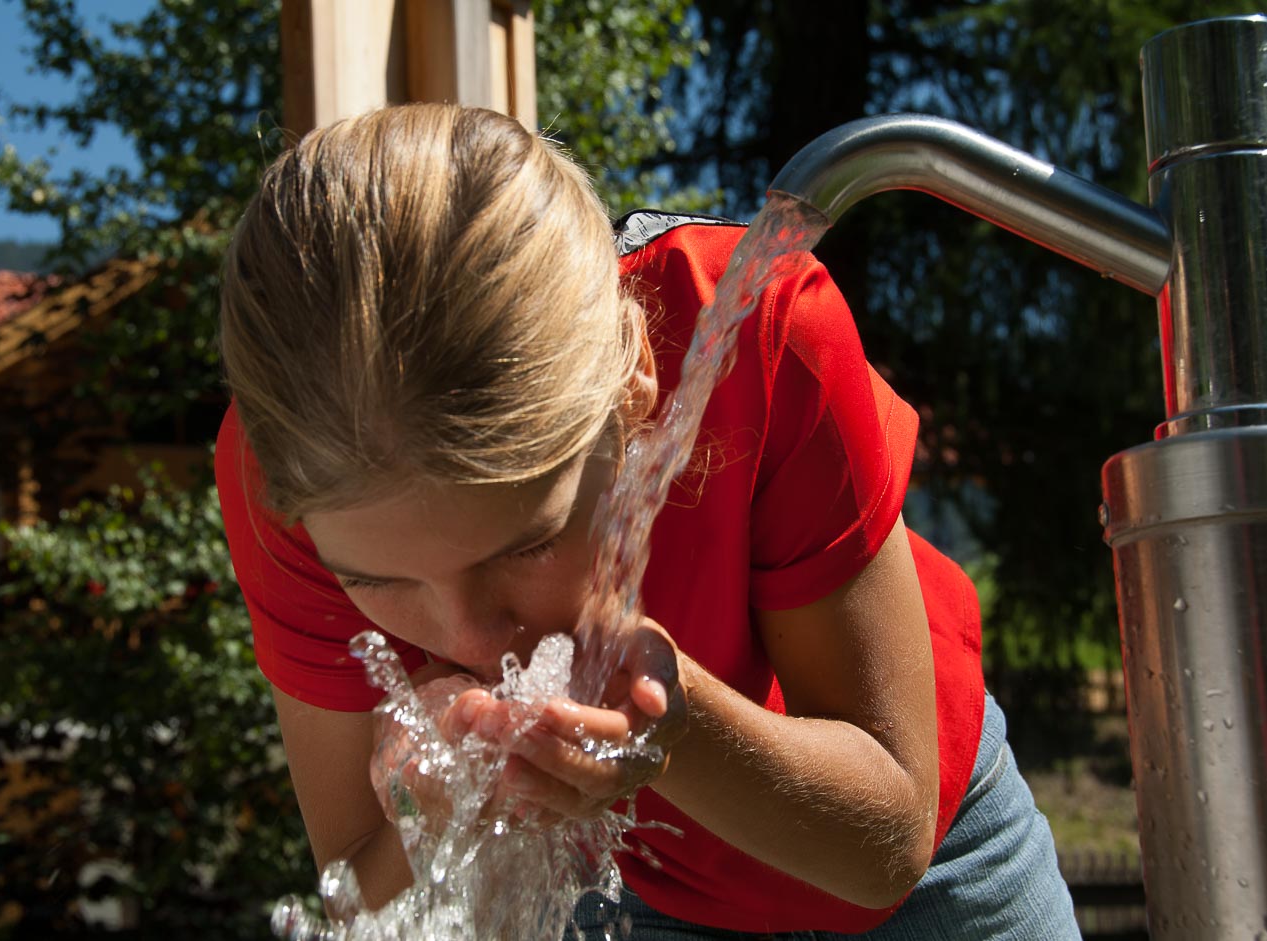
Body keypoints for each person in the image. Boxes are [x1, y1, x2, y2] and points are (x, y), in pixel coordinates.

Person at [214, 102, 1080, 939]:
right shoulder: (293, 468)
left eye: (528, 543)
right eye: (380, 581)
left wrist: (668, 719)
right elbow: (357, 900)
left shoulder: (748, 328)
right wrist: (432, 812)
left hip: (939, 873)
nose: (473, 637)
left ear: (635, 378)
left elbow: (882, 848)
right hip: (635, 898)